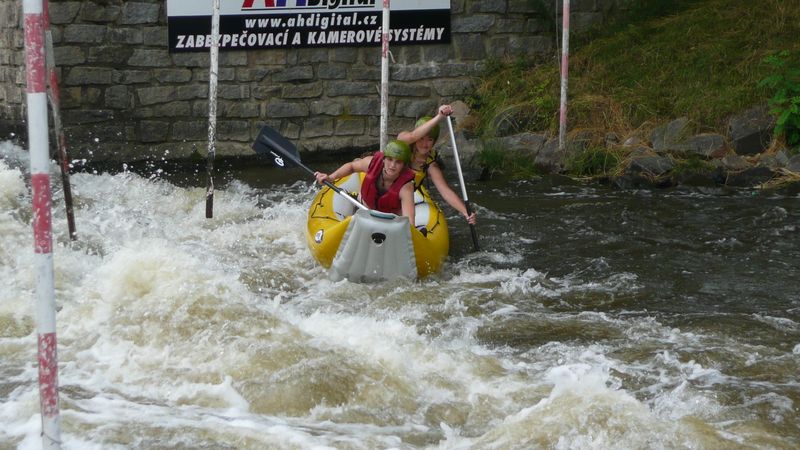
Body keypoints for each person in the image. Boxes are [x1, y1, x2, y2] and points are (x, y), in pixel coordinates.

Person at [397, 104, 477, 225]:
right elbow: (412, 136)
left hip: (402, 199)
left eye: (429, 140)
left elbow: (445, 190)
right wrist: (440, 116)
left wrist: (466, 212)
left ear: (434, 141)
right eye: (421, 138)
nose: (425, 144)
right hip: (385, 189)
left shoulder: (430, 163)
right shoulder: (404, 141)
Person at [314, 140, 416, 225]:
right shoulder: (371, 163)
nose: (392, 165)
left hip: (389, 220)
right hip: (364, 208)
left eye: (398, 162)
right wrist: (331, 177)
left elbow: (409, 222)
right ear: (384, 159)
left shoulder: (406, 188)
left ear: (404, 165)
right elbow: (352, 166)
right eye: (390, 159)